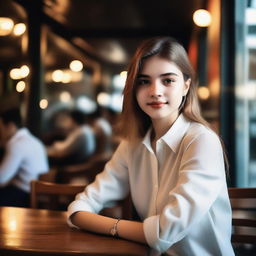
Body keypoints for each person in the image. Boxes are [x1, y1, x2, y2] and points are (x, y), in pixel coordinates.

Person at [67, 37, 235, 255]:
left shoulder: (201, 141)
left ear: (186, 85)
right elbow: (80, 208)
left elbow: (164, 232)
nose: (155, 91)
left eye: (167, 80)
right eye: (144, 81)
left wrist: (113, 226)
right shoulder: (132, 143)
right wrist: (133, 229)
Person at [0, 108, 49, 207]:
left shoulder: (16, 144)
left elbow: (1, 179)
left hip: (25, 195)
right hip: (36, 192)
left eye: (1, 127)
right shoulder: (32, 140)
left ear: (10, 126)